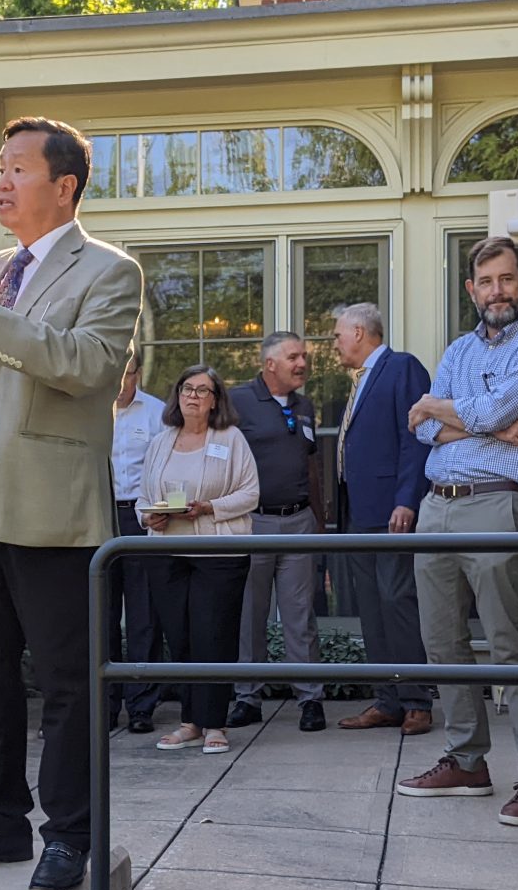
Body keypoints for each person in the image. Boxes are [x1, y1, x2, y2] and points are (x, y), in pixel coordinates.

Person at [0, 116, 143, 890]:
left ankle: (71, 834)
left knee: (67, 683)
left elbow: (90, 367)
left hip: (52, 505)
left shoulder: (109, 271)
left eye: (17, 168)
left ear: (64, 185)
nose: (2, 181)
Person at [399, 237, 518, 825]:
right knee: (441, 641)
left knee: (508, 643)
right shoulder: (457, 350)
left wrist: (453, 411)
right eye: (486, 282)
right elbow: (420, 428)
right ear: (471, 289)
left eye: (507, 279)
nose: (496, 291)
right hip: (436, 507)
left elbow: (469, 413)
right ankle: (467, 760)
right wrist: (489, 426)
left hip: (498, 504)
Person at [141, 363, 261, 754]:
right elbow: (144, 496)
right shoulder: (162, 441)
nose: (192, 395)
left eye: (201, 390)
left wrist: (209, 507)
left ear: (215, 401)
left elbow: (250, 494)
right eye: (186, 388)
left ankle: (215, 724)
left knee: (214, 635)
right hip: (167, 552)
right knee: (180, 636)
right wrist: (152, 515)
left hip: (218, 553)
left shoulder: (231, 438)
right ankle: (190, 722)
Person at [328, 303, 435, 735]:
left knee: (397, 600)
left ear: (358, 332)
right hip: (360, 513)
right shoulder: (358, 381)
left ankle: (417, 700)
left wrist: (407, 499)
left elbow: (416, 439)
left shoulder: (401, 367)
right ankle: (387, 699)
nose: (334, 344)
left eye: (337, 335)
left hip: (393, 511)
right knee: (370, 605)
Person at [225, 332, 328, 732]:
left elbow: (311, 465)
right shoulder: (238, 400)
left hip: (298, 522)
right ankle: (247, 698)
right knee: (249, 615)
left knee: (300, 616)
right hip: (252, 522)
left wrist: (319, 520)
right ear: (270, 364)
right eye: (293, 357)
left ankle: (310, 700)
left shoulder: (305, 405)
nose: (302, 363)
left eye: (304, 356)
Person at [109, 354, 168, 734]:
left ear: (139, 374)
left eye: (126, 375)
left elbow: (167, 467)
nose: (119, 384)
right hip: (100, 515)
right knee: (102, 613)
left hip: (142, 516)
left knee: (145, 615)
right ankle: (106, 703)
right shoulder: (89, 411)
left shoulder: (158, 413)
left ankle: (142, 705)